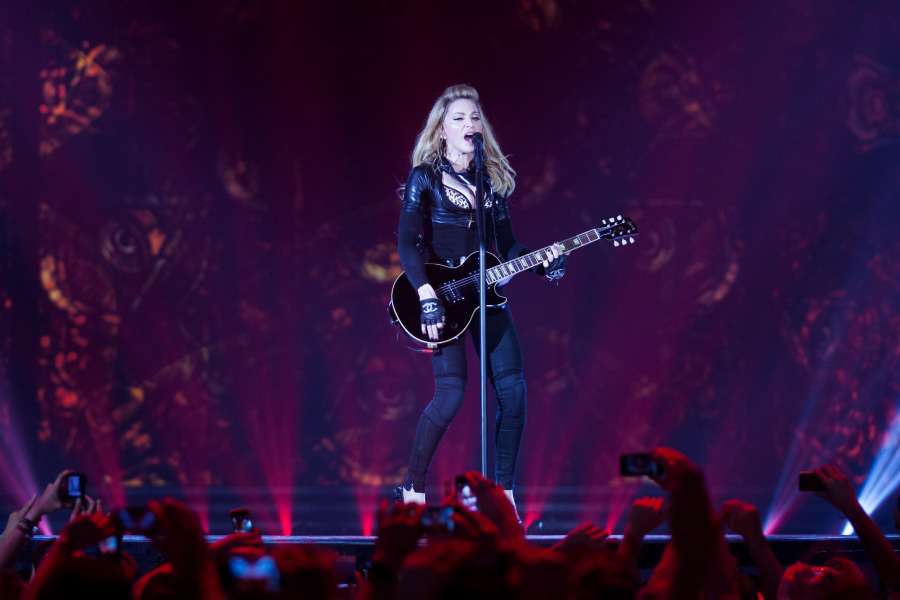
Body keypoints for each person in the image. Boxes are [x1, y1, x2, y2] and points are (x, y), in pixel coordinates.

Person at [395, 84, 567, 508]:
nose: (469, 124)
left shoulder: (490, 180)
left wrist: (543, 262)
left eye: (474, 117)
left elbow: (508, 245)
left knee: (514, 393)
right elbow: (407, 241)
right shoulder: (426, 177)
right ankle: (413, 489)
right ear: (442, 130)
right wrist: (426, 293)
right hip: (443, 296)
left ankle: (504, 496)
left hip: (486, 296)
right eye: (458, 118)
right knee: (451, 395)